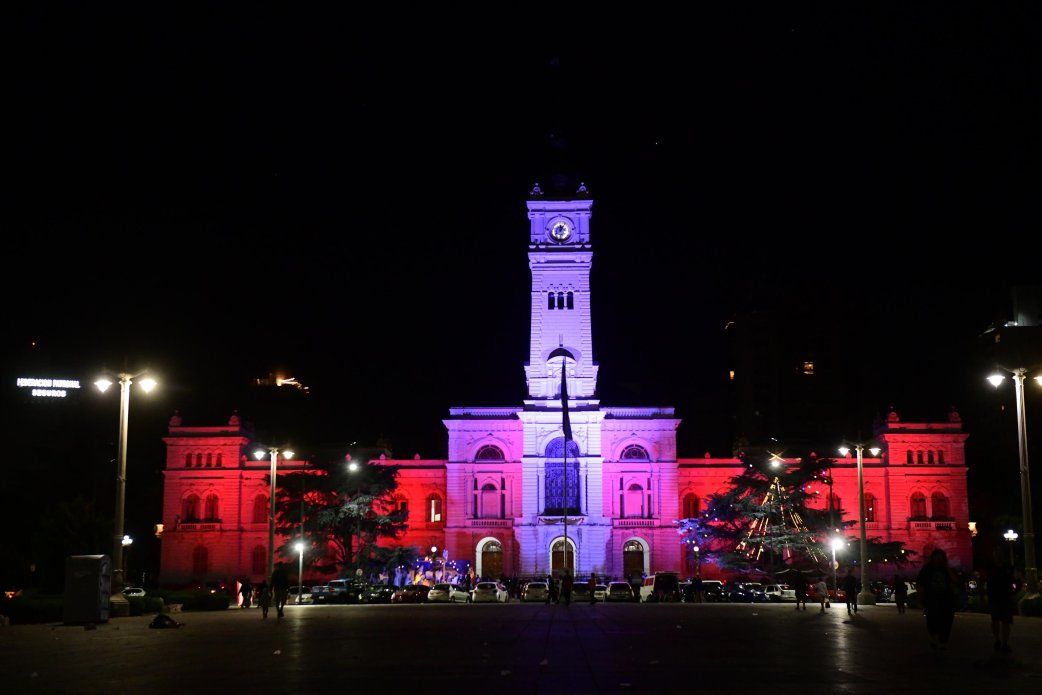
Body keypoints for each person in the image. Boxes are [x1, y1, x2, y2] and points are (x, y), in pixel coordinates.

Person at [917, 548, 957, 650]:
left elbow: (955, 581)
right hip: (932, 600)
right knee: (931, 621)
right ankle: (934, 639)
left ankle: (943, 641)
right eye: (936, 557)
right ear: (933, 558)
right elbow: (921, 584)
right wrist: (921, 599)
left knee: (947, 621)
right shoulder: (927, 569)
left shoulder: (946, 569)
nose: (938, 560)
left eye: (940, 558)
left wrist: (947, 568)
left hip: (946, 600)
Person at [987, 547, 1015, 653]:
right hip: (994, 597)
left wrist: (1013, 592)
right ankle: (998, 640)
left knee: (1006, 622)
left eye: (999, 554)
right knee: (995, 620)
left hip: (1005, 598)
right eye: (996, 553)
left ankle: (1004, 643)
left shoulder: (1008, 567)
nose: (997, 556)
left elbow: (1015, 581)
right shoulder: (991, 567)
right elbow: (986, 581)